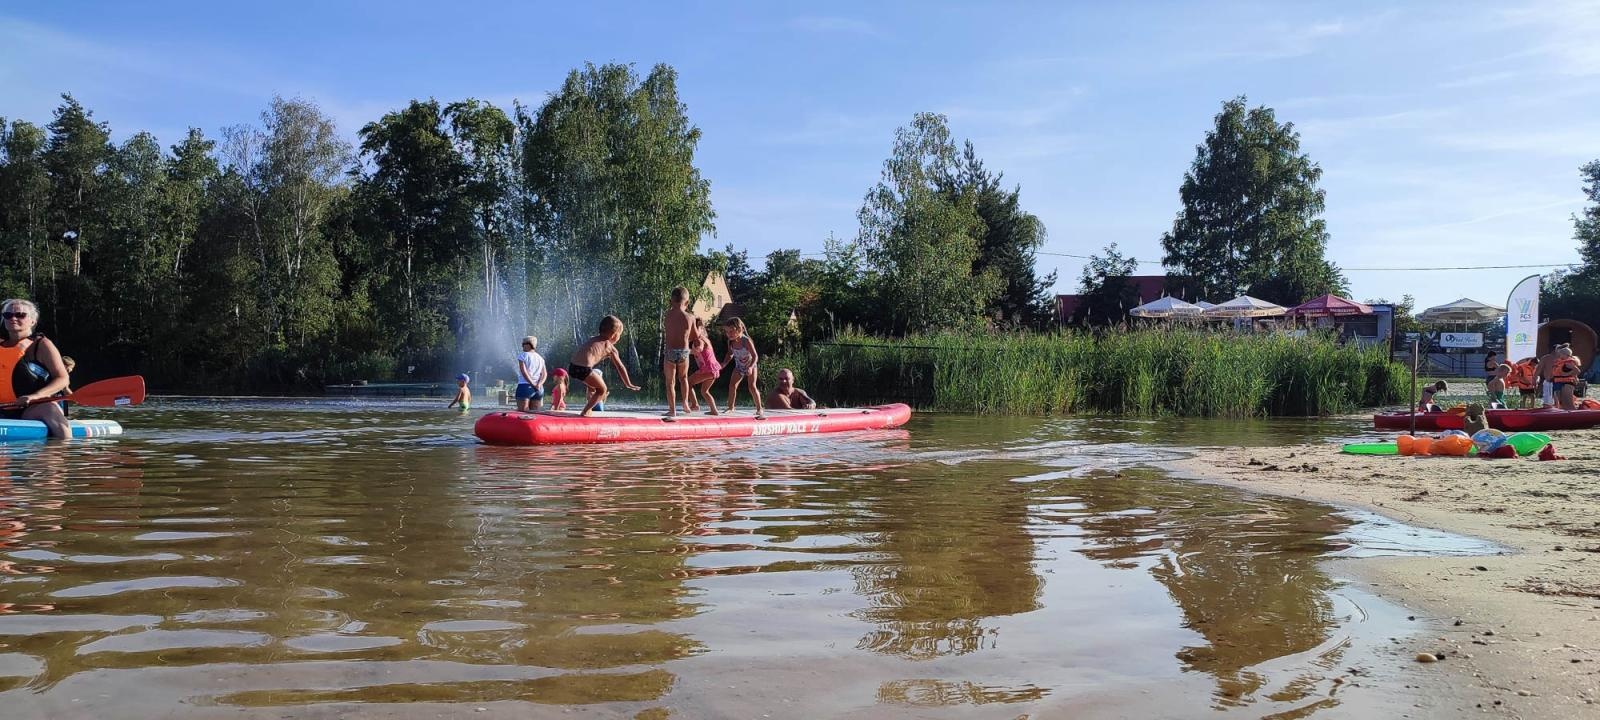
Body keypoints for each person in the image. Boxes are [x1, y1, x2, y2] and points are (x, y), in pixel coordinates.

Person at [0, 299, 71, 439]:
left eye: (20, 315)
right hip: (2, 408)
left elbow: (62, 378)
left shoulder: (41, 345)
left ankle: (64, 450)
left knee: (49, 408)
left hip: (32, 409)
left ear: (33, 321)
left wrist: (35, 396)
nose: (13, 318)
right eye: (8, 315)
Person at [569, 315, 641, 417]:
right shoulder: (609, 347)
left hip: (573, 367)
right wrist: (628, 383)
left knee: (593, 383)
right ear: (614, 336)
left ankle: (590, 401)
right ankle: (585, 411)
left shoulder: (592, 339)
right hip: (584, 369)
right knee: (602, 390)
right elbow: (620, 367)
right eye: (620, 334)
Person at [721, 317, 763, 418]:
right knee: (732, 386)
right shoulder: (730, 342)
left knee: (752, 387)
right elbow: (730, 354)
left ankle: (759, 408)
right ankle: (731, 407)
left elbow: (755, 356)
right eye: (727, 332)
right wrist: (723, 364)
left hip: (750, 365)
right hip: (739, 367)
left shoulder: (746, 341)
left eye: (731, 331)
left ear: (739, 329)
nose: (729, 334)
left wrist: (751, 367)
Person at [661, 287, 693, 418]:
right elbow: (694, 335)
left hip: (670, 352)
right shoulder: (690, 317)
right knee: (684, 378)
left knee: (670, 382)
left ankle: (672, 410)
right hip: (684, 352)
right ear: (687, 302)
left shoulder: (667, 315)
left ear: (671, 301)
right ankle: (685, 402)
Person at [686, 318, 721, 415]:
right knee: (704, 391)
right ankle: (714, 410)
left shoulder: (699, 340)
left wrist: (686, 351)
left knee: (688, 383)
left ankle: (694, 405)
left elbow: (699, 348)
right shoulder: (705, 339)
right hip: (713, 369)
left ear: (701, 329)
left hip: (707, 369)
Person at [515, 336, 547, 411]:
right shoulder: (540, 358)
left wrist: (532, 383)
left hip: (525, 386)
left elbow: (524, 372)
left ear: (529, 344)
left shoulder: (523, 355)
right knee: (535, 413)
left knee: (523, 413)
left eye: (523, 344)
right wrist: (539, 384)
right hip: (539, 389)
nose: (522, 346)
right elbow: (544, 374)